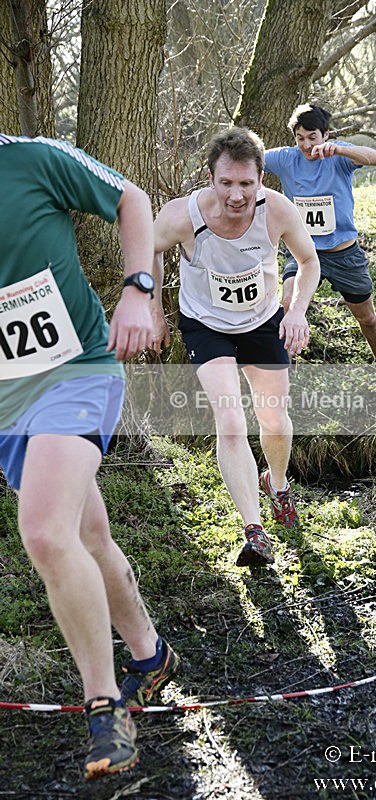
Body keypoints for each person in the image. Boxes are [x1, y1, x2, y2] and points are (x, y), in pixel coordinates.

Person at [0, 134, 179, 780]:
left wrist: (138, 289)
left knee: (46, 533)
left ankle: (106, 709)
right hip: (7, 404)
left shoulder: (29, 159)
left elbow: (132, 198)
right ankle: (150, 655)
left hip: (75, 373)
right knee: (87, 537)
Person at [151, 127, 320, 567]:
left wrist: (297, 310)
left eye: (246, 183)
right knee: (230, 422)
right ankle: (254, 530)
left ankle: (277, 484)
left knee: (275, 422)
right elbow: (148, 247)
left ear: (261, 179)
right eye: (226, 183)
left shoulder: (276, 211)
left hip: (263, 321)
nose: (237, 195)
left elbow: (309, 260)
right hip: (206, 326)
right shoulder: (184, 215)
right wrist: (153, 310)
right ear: (211, 177)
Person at [263, 104, 376, 403]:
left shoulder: (338, 155)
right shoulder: (287, 159)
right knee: (288, 304)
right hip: (303, 252)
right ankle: (285, 381)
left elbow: (375, 157)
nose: (306, 145)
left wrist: (338, 151)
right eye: (300, 138)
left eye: (312, 137)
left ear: (326, 135)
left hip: (343, 254)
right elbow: (251, 159)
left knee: (366, 318)